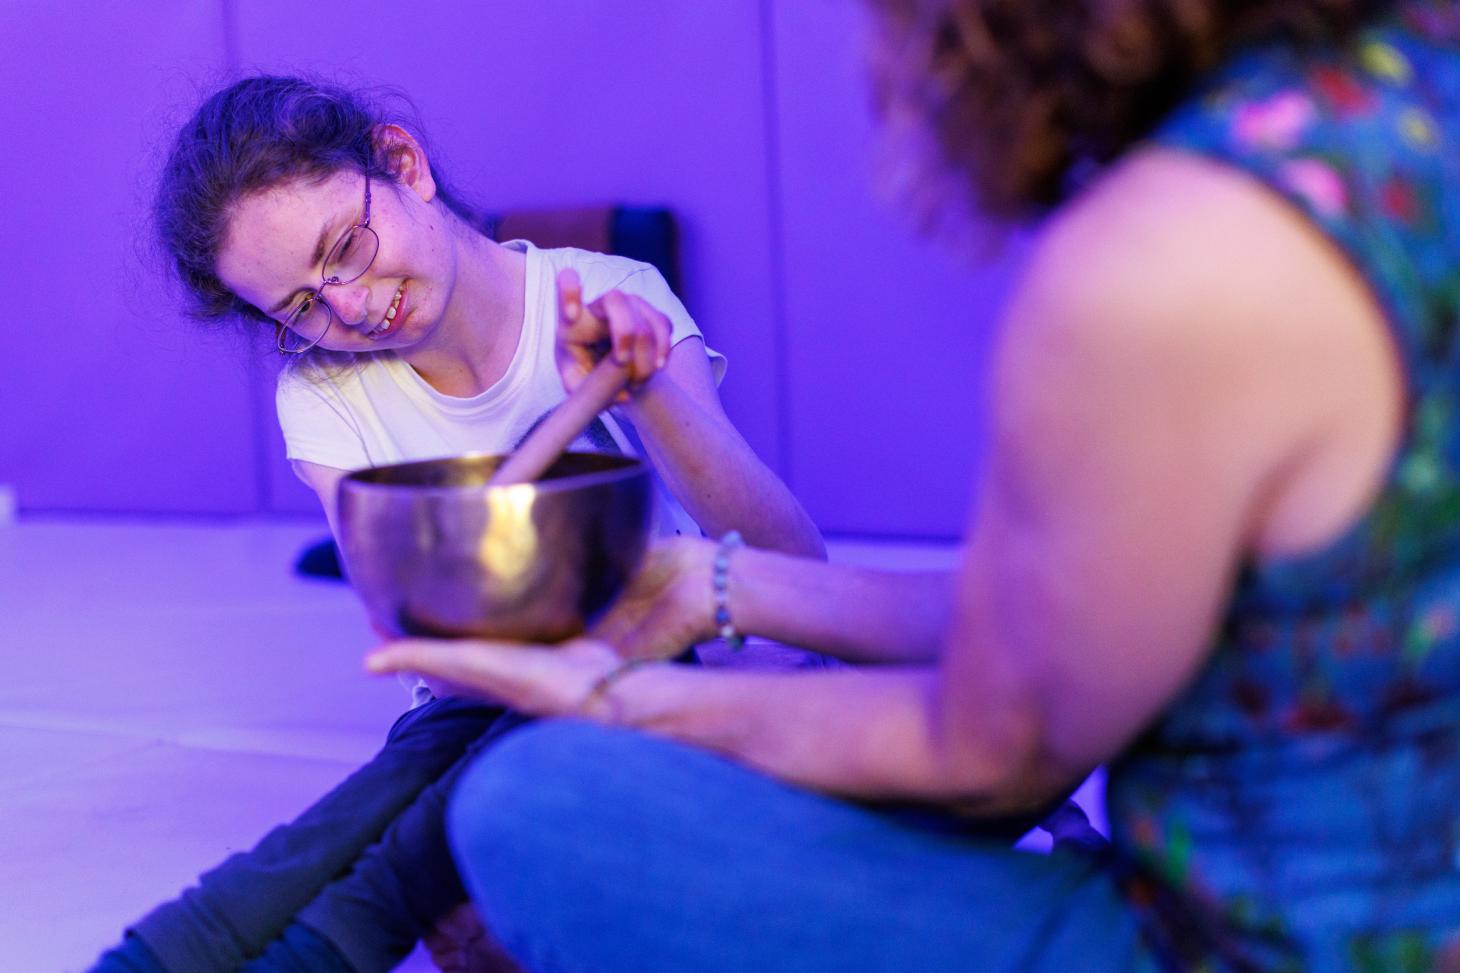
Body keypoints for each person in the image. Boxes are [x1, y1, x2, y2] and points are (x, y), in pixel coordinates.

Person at [367, 1, 1460, 969]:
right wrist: (705, 586)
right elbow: (1060, 629)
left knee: (535, 805)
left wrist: (617, 702)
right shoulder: (1403, 81)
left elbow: (995, 749)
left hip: (1254, 938)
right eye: (299, 301)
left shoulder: (1165, 260)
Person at [93, 74, 824, 973]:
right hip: (466, 691)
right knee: (407, 777)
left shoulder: (608, 297)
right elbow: (419, 623)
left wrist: (648, 399)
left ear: (404, 164)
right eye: (301, 309)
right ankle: (160, 957)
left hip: (660, 671)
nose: (349, 307)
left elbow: (790, 563)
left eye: (346, 247)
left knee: (467, 824)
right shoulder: (323, 395)